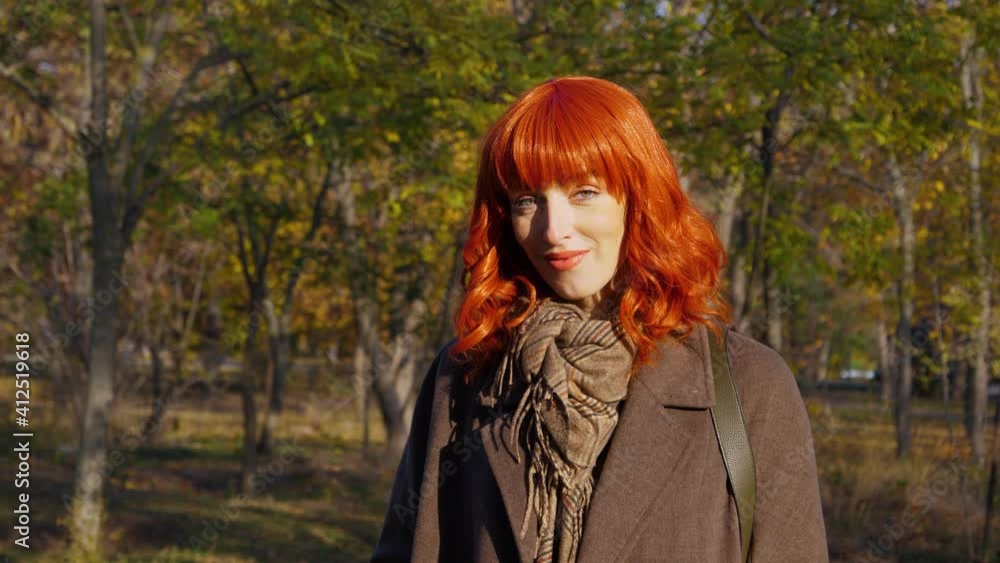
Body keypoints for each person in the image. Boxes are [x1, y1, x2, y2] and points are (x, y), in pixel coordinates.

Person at [371, 76, 828, 563]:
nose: (554, 229)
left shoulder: (749, 384)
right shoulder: (467, 375)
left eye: (584, 192)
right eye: (527, 200)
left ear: (639, 197)